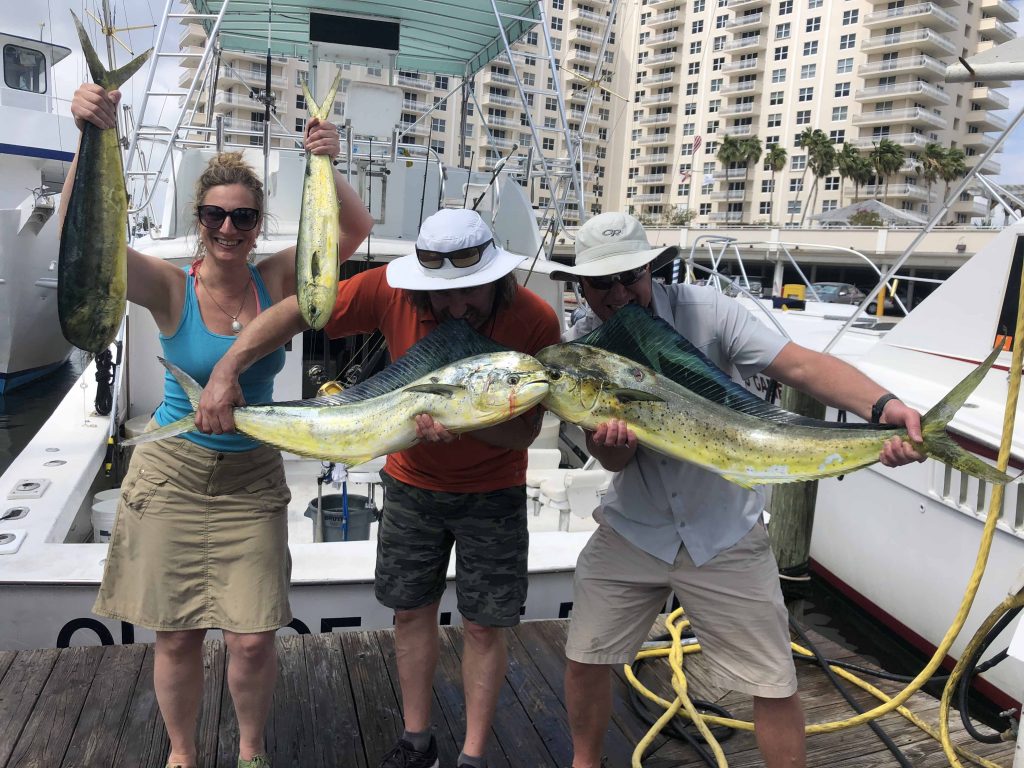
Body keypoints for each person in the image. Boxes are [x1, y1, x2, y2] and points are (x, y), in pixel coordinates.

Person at [65, 82, 374, 768]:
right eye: (214, 217)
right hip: (172, 475)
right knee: (175, 636)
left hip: (251, 476)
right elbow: (86, 244)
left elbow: (353, 233)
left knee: (254, 636)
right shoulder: (171, 286)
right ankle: (181, 755)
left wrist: (328, 159)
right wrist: (90, 137)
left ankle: (251, 752)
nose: (228, 230)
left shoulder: (278, 278)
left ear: (260, 225)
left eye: (243, 219)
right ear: (198, 220)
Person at [550, 211, 925, 768]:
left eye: (630, 275)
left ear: (652, 268)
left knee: (773, 681)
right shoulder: (583, 349)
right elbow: (615, 459)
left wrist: (883, 409)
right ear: (582, 286)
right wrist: (609, 440)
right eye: (601, 283)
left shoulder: (709, 309)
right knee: (585, 657)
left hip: (723, 530)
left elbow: (798, 365)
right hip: (635, 530)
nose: (618, 293)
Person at [196, 207, 562, 768]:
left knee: (486, 625)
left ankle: (472, 756)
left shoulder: (535, 318)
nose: (454, 306)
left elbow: (525, 433)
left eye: (469, 292)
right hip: (412, 485)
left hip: (494, 491)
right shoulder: (390, 290)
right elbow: (300, 310)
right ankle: (417, 742)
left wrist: (470, 421)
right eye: (442, 295)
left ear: (496, 279)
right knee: (411, 612)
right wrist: (227, 369)